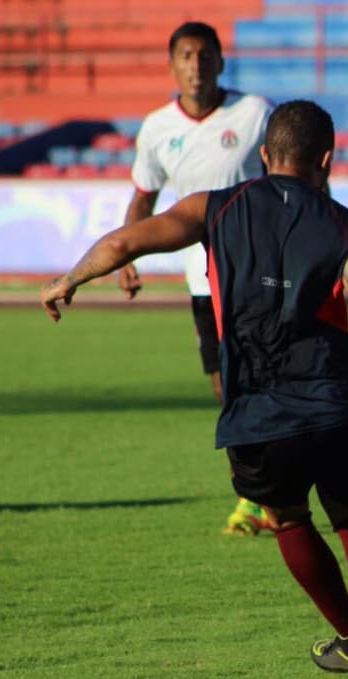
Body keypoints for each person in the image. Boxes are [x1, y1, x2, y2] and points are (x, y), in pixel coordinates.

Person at [41, 99, 348, 679]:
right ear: (327, 159)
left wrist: (70, 278)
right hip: (338, 405)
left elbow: (126, 243)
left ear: (262, 154)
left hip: (259, 410)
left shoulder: (216, 208)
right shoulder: (342, 227)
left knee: (287, 517)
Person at [119, 21, 274, 535]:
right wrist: (126, 252)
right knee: (225, 385)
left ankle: (260, 498)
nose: (196, 65)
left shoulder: (254, 114)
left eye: (205, 55)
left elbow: (286, 183)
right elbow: (144, 195)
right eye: (186, 55)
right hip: (203, 281)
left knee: (263, 381)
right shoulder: (157, 128)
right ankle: (263, 492)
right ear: (172, 65)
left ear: (221, 63)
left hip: (260, 275)